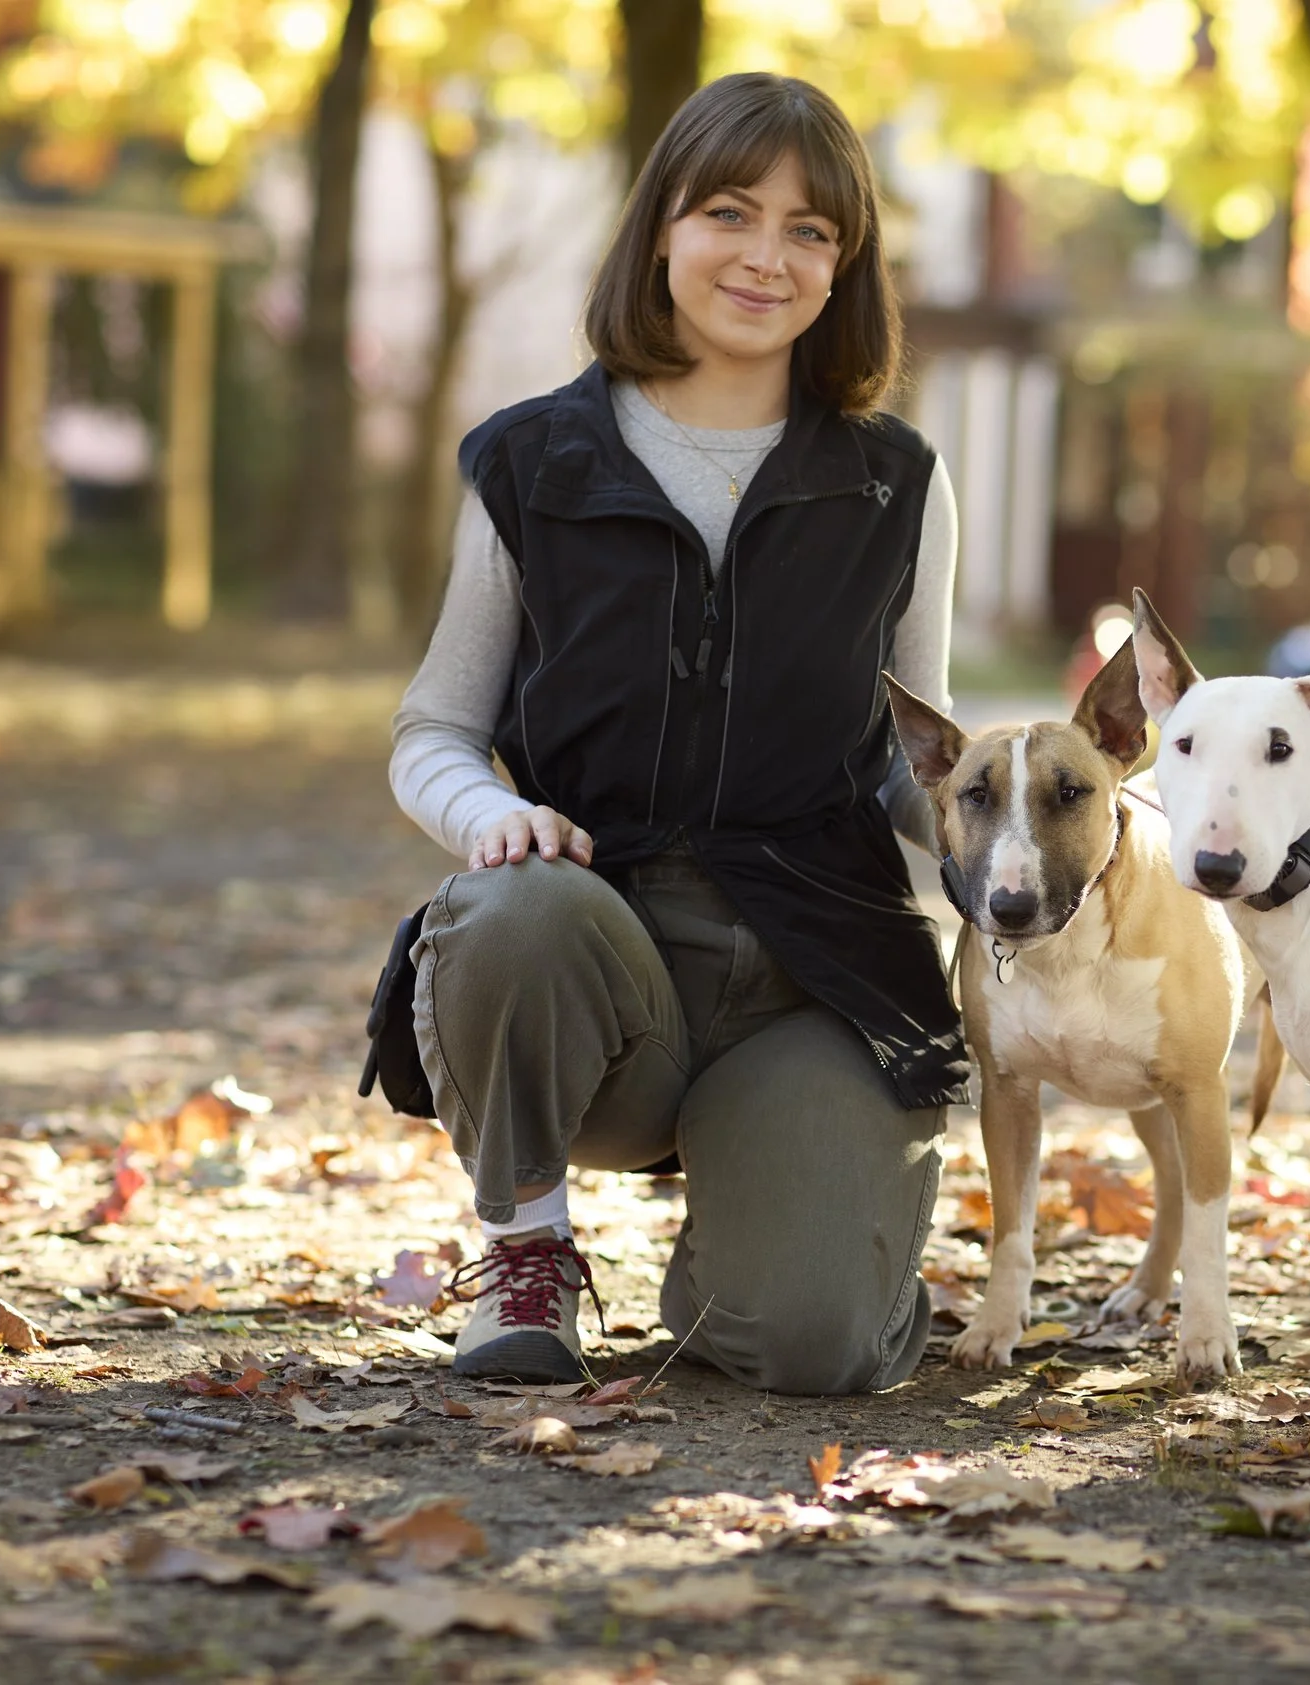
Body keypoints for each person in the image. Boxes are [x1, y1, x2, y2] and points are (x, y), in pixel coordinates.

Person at [387, 72, 965, 1394]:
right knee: (508, 903)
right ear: (662, 228)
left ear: (846, 266)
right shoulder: (531, 463)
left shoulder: (899, 481)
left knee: (815, 1345)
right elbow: (433, 729)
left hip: (818, 981)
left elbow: (912, 762)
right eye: (730, 213)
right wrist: (489, 817)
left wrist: (1029, 860)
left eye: (813, 230)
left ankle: (786, 1230)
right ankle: (528, 1253)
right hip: (599, 968)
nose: (768, 256)